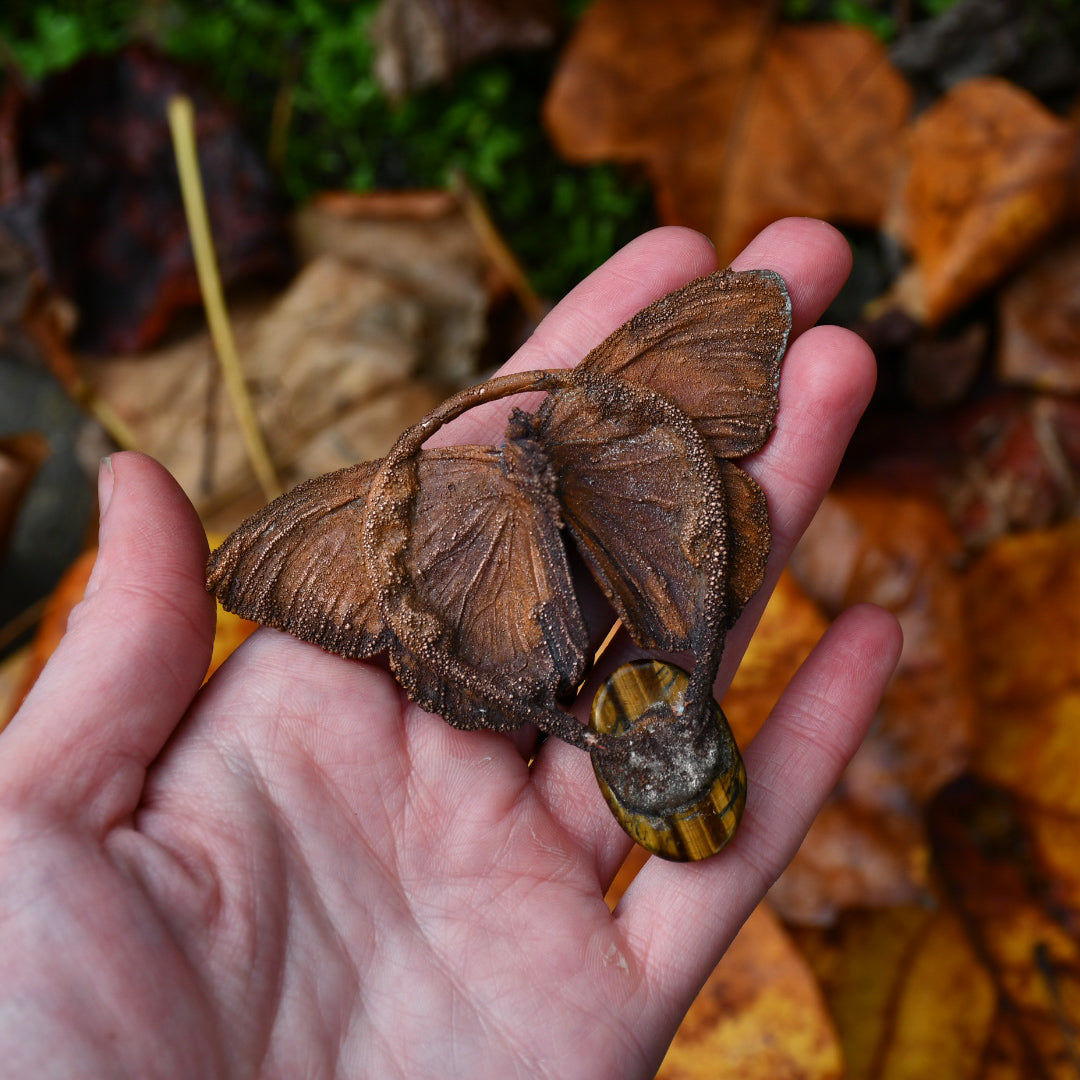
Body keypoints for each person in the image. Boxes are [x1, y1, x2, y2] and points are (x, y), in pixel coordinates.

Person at [0, 219, 901, 1078]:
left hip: (637, 543)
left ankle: (638, 617)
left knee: (682, 587)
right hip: (596, 557)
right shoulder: (421, 498)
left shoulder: (454, 475)